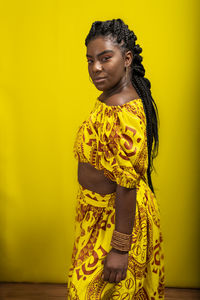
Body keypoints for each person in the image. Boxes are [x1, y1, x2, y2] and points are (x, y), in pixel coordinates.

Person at [66, 18, 165, 299]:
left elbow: (126, 185)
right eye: (90, 60)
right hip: (96, 217)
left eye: (105, 58)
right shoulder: (110, 97)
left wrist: (121, 248)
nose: (95, 67)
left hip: (117, 220)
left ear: (127, 58)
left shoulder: (124, 110)